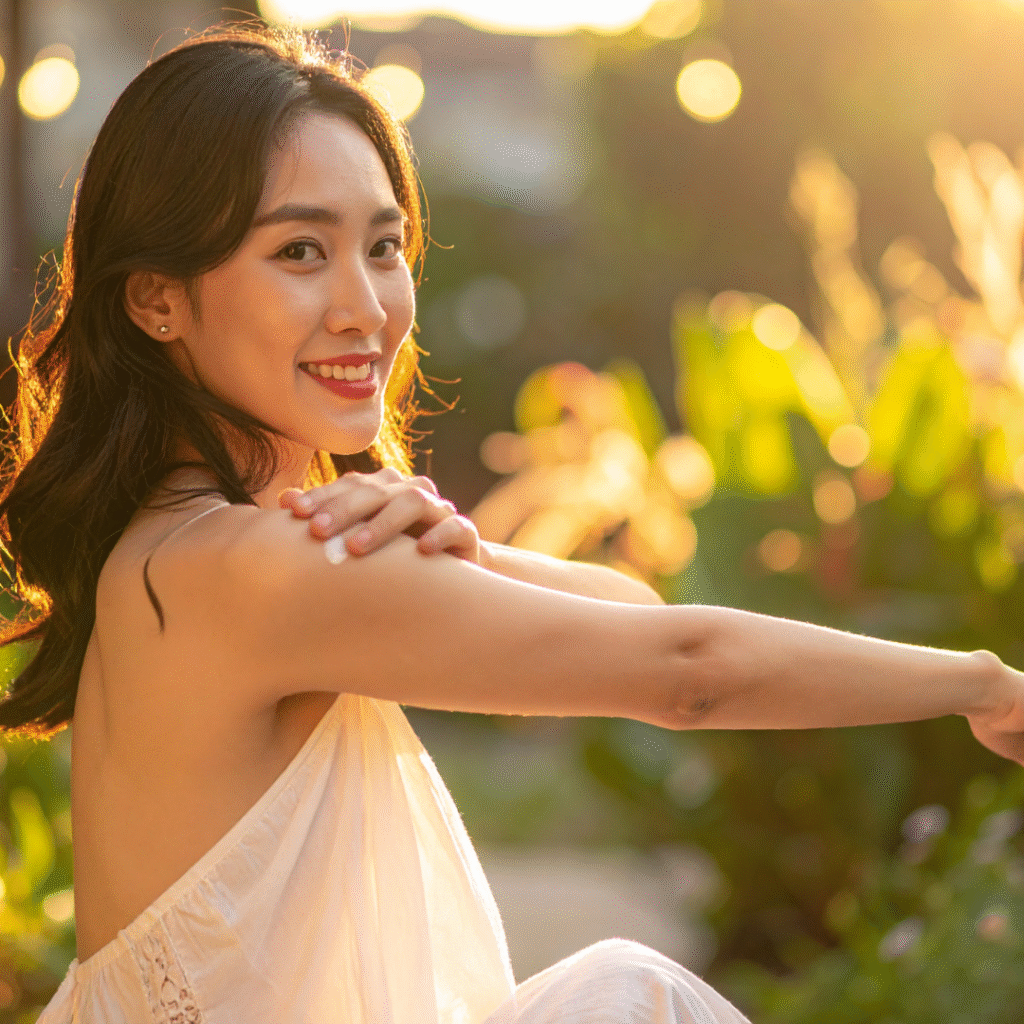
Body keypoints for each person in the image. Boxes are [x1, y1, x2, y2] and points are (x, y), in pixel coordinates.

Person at [1, 22, 1020, 1024]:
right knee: (631, 997)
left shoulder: (171, 551)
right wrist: (981, 684)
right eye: (300, 251)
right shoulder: (260, 568)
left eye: (384, 247)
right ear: (156, 299)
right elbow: (686, 671)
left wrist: (471, 552)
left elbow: (633, 613)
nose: (366, 307)